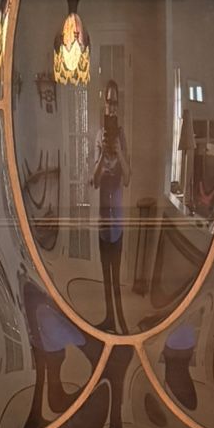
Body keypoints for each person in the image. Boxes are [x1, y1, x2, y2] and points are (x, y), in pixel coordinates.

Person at [91, 78, 131, 332]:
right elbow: (93, 182)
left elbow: (127, 178)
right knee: (105, 275)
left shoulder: (122, 136)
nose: (111, 107)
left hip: (118, 217)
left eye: (115, 102)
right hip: (102, 217)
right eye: (108, 101)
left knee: (116, 274)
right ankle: (109, 319)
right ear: (103, 105)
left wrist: (119, 152)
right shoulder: (98, 135)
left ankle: (121, 323)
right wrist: (102, 158)